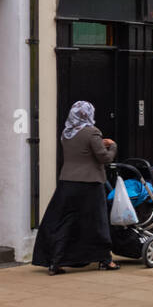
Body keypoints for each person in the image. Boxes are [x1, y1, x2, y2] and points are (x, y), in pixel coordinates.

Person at [32, 101, 118, 275]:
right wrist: (112, 145)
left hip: (67, 183)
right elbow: (104, 158)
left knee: (65, 222)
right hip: (90, 184)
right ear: (88, 114)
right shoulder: (92, 133)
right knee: (96, 222)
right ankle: (105, 260)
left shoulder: (66, 133)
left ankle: (55, 262)